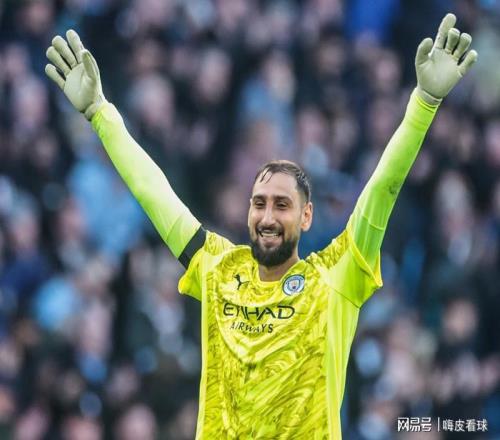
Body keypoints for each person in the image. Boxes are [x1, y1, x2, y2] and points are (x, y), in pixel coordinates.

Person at [44, 13, 477, 439]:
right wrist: (100, 113)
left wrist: (423, 104)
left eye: (282, 205)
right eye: (259, 204)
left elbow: (383, 187)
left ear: (306, 216)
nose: (268, 217)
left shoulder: (336, 276)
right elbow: (154, 194)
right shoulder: (218, 268)